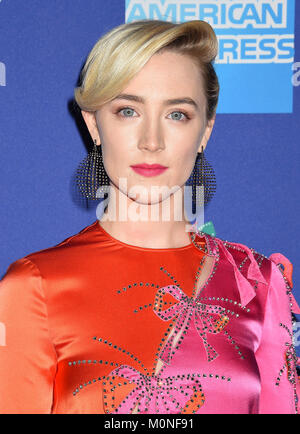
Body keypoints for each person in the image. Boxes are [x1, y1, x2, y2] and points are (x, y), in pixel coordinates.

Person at [0, 19, 299, 414]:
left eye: (177, 114)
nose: (151, 142)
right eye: (128, 111)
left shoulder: (256, 282)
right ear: (94, 124)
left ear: (205, 130)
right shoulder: (34, 287)